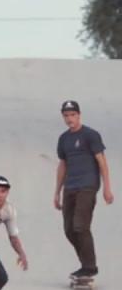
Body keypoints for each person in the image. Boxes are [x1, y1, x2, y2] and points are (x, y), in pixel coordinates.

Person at [54, 100, 114, 279]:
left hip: (88, 185)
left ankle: (89, 267)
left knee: (80, 226)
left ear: (79, 115)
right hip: (70, 186)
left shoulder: (90, 135)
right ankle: (86, 265)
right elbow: (62, 165)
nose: (69, 119)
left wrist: (107, 188)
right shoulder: (64, 139)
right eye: (66, 116)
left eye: (72, 115)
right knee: (69, 230)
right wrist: (57, 192)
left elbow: (102, 162)